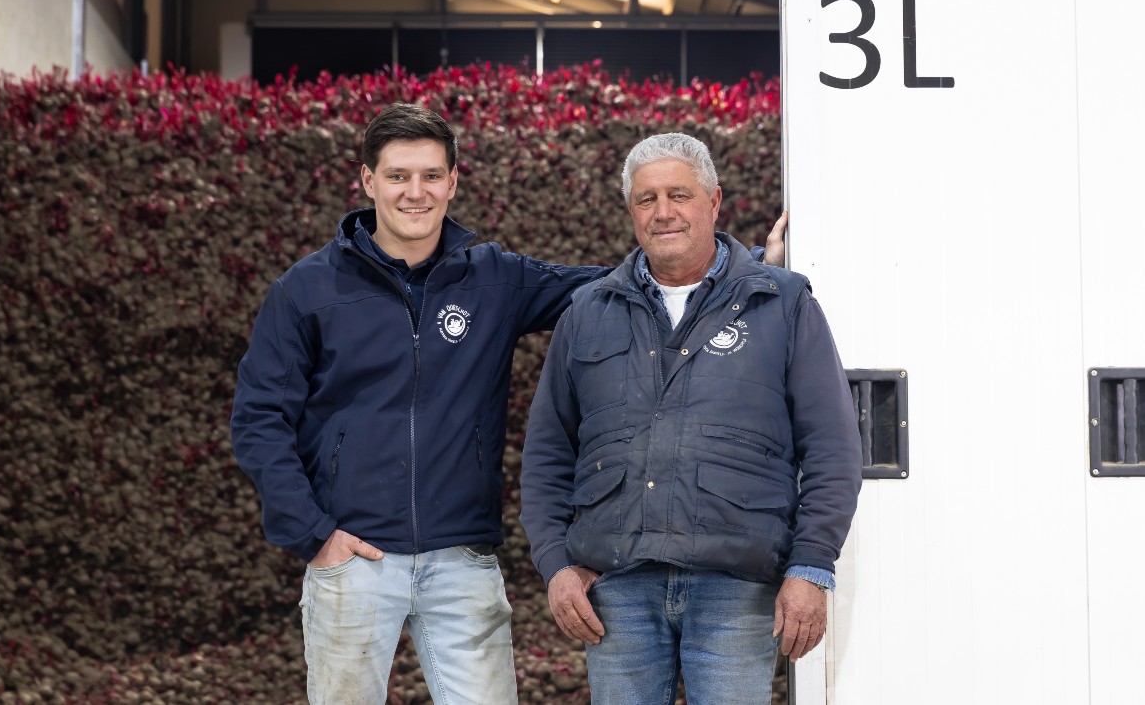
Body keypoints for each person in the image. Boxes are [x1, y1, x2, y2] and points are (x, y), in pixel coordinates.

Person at [230, 105, 787, 705]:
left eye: (430, 175)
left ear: (453, 180)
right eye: (397, 176)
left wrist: (747, 268)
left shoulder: (494, 278)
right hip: (353, 560)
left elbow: (625, 287)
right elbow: (259, 419)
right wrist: (315, 535)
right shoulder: (307, 290)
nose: (415, 192)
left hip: (462, 560)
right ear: (367, 181)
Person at [519, 132, 862, 705]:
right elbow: (548, 454)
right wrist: (555, 564)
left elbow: (832, 448)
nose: (664, 211)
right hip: (615, 589)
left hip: (737, 590)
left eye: (679, 194)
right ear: (631, 211)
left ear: (714, 201)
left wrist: (812, 566)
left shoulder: (781, 303)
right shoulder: (587, 312)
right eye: (646, 199)